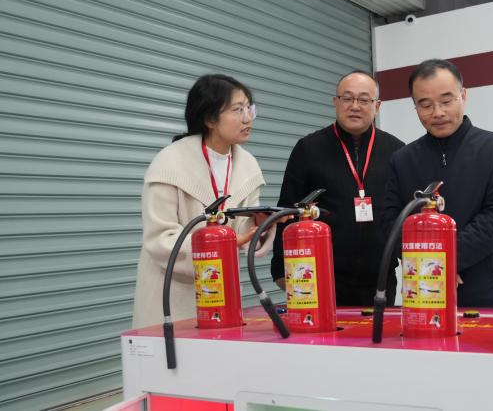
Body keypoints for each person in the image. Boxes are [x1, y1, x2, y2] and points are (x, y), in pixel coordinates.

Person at [132, 74, 270, 328]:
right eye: (237, 109)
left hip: (222, 289)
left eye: (249, 108)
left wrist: (261, 225)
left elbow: (242, 228)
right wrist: (217, 245)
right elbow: (159, 238)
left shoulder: (248, 166)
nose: (248, 118)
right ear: (209, 119)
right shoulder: (170, 163)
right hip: (173, 294)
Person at [383, 59, 493, 307]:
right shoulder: (402, 160)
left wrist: (446, 260)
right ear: (415, 106)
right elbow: (391, 221)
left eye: (446, 101)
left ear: (463, 96)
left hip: (483, 292)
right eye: (425, 105)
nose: (437, 113)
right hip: (422, 290)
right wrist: (429, 264)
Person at [270, 71, 404, 306]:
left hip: (381, 277)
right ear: (335, 102)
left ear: (377, 106)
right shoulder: (308, 149)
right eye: (347, 98)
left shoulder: (396, 151)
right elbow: (287, 210)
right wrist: (281, 268)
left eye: (364, 100)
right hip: (322, 276)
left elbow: (404, 214)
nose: (355, 106)